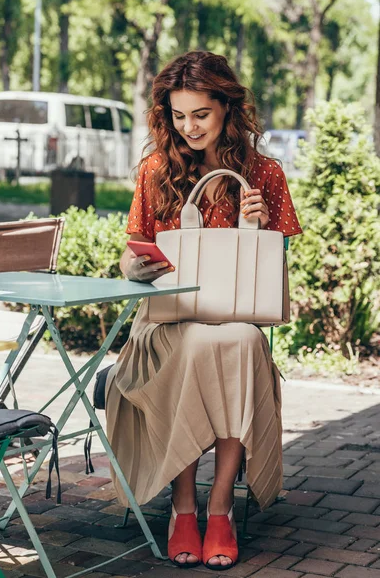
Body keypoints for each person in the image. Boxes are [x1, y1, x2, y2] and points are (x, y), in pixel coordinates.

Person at [105, 50, 302, 571]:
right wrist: (134, 268)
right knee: (201, 342)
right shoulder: (156, 171)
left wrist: (261, 226)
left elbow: (274, 265)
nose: (188, 126)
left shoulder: (264, 174)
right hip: (169, 322)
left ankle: (219, 509)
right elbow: (133, 250)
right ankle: (184, 505)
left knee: (237, 339)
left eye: (201, 114)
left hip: (235, 317)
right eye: (178, 115)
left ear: (228, 109)